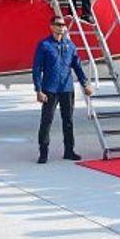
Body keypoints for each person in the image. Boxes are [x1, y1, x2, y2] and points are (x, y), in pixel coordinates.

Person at [32, 15, 95, 163]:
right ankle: (43, 152)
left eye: (63, 25)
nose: (61, 27)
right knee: (46, 121)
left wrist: (85, 83)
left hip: (67, 89)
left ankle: (69, 150)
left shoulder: (70, 46)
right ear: (51, 26)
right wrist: (38, 89)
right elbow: (36, 68)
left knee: (68, 121)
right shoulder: (44, 45)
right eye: (58, 24)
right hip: (50, 89)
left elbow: (77, 66)